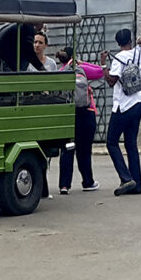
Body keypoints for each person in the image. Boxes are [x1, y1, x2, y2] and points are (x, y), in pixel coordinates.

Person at [100, 29, 141, 196]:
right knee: (131, 144)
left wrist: (103, 65)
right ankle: (137, 185)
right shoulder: (140, 52)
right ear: (130, 39)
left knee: (112, 142)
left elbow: (111, 81)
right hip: (138, 103)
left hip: (123, 106)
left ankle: (126, 178)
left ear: (117, 42)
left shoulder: (118, 59)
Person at [57, 48, 104, 194]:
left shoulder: (61, 72)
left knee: (67, 149)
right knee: (84, 151)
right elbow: (99, 72)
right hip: (86, 113)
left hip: (68, 114)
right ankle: (88, 182)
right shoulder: (80, 68)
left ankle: (64, 185)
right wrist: (83, 62)